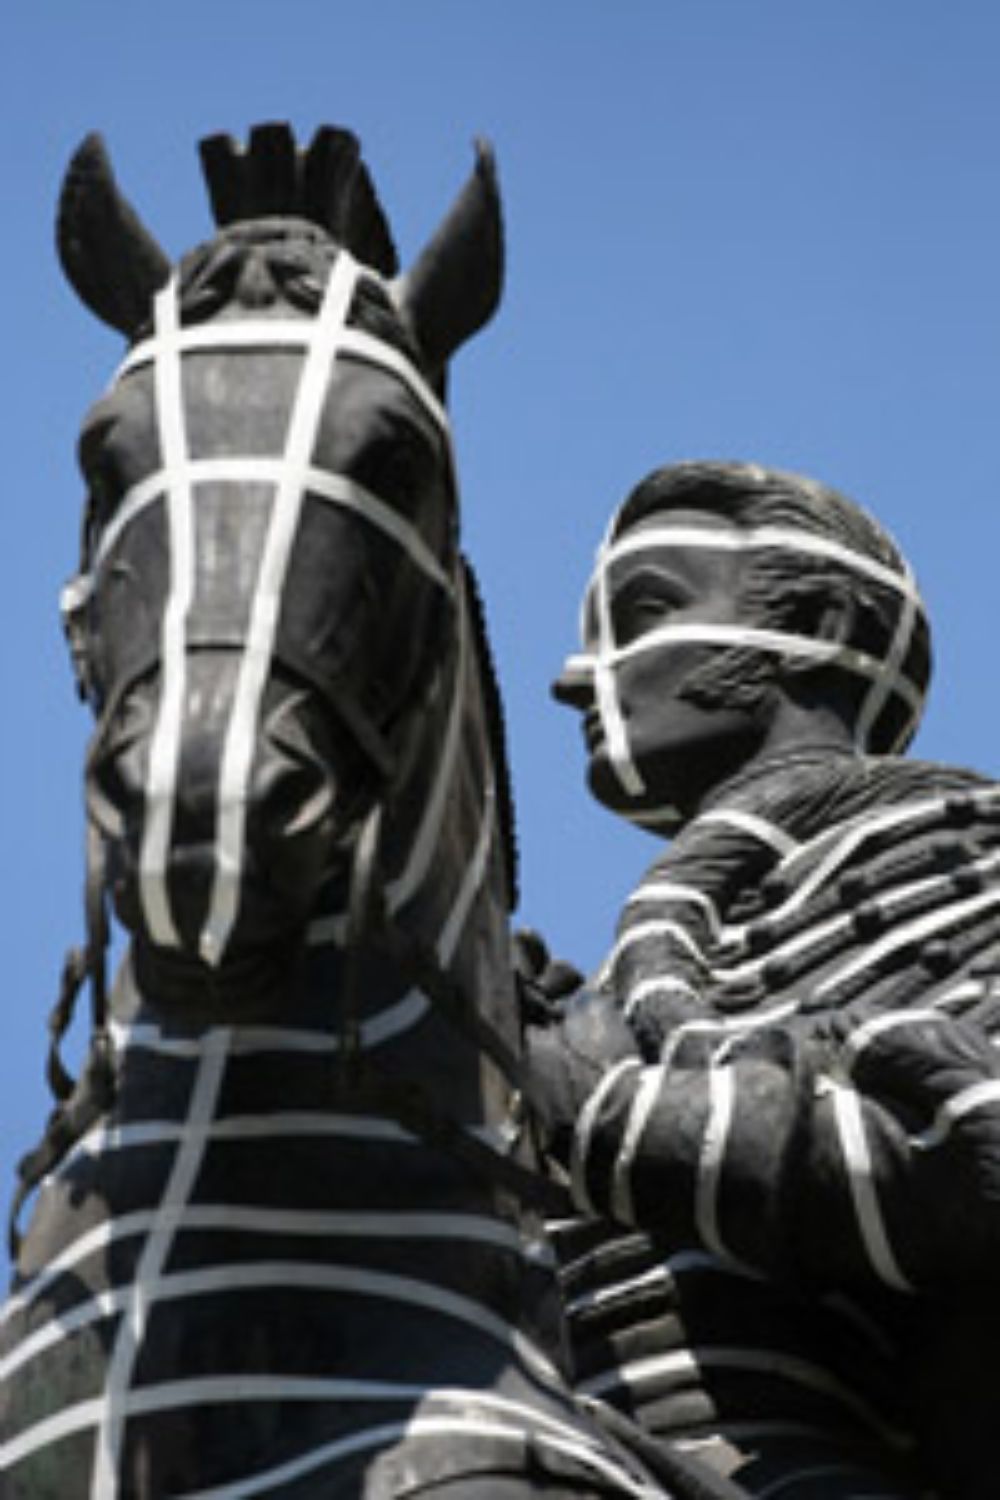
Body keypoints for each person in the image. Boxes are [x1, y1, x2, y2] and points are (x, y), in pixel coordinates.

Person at [523, 460, 1000, 1500]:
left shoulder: (963, 860)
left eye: (642, 614)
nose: (575, 677)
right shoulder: (631, 978)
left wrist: (593, 1109)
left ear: (820, 622)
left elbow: (969, 1156)